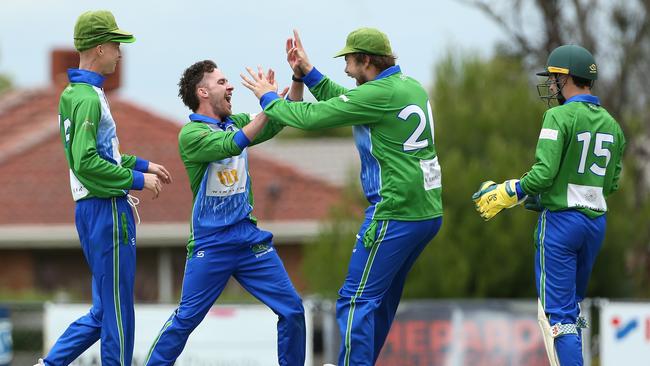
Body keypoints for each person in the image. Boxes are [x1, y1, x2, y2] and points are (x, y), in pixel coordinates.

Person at [241, 28, 443, 366]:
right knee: (379, 301)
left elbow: (309, 117)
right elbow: (345, 102)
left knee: (355, 300)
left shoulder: (378, 94)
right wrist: (308, 72)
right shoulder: (407, 86)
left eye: (349, 61)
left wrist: (267, 97)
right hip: (426, 212)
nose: (346, 69)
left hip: (395, 211)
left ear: (366, 61)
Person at [143, 60, 306, 366]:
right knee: (186, 320)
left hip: (247, 238)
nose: (230, 86)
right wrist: (269, 104)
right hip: (212, 243)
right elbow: (233, 143)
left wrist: (296, 77)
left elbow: (288, 112)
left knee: (293, 309)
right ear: (202, 92)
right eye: (222, 82)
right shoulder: (190, 135)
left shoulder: (238, 120)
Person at [472, 45, 625, 365]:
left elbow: (542, 175)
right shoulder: (612, 125)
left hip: (561, 226)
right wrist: (544, 197)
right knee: (573, 309)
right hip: (595, 224)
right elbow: (609, 185)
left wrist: (508, 191)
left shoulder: (558, 115)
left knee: (557, 316)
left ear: (566, 77)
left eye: (554, 77)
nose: (551, 85)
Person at [37, 10, 172, 366]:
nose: (120, 52)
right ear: (99, 48)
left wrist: (142, 164)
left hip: (91, 210)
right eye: (116, 44)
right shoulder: (88, 97)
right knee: (118, 311)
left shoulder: (77, 92)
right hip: (106, 211)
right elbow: (85, 164)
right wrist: (137, 180)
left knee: (103, 310)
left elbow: (102, 154)